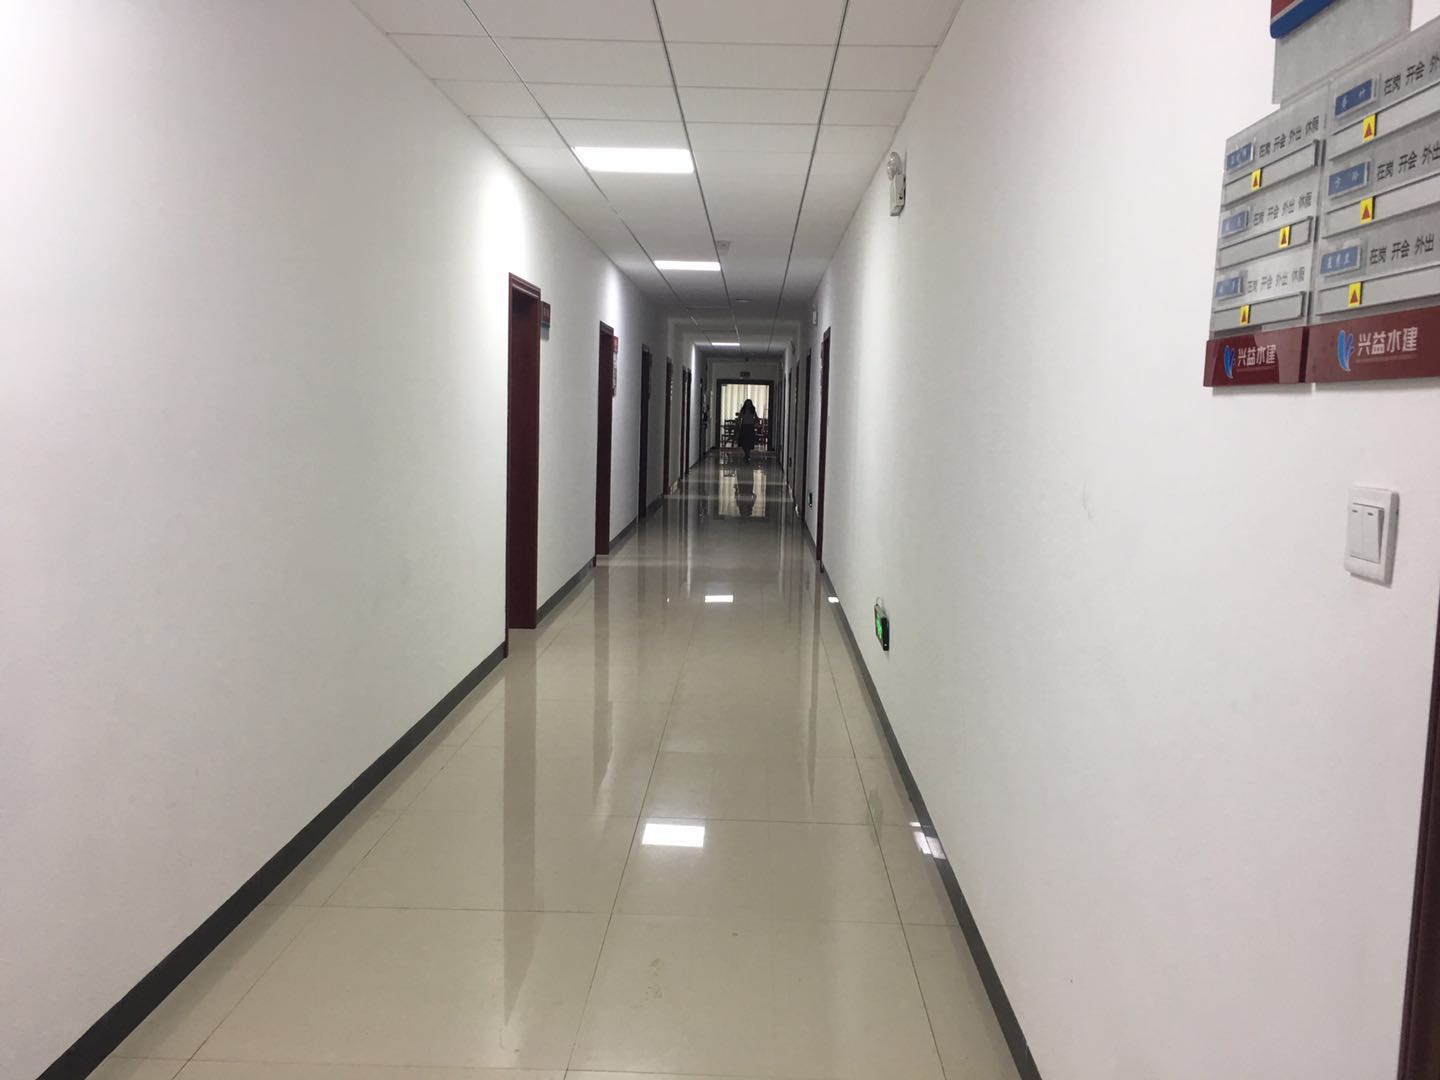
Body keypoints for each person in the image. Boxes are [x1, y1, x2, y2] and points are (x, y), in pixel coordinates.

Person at [736, 398, 759, 463]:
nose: (748, 405)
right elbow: (739, 418)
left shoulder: (753, 410)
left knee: (749, 442)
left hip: (750, 427)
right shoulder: (743, 410)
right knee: (743, 441)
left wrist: (753, 422)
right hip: (744, 427)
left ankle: (747, 454)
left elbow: (757, 419)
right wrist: (738, 424)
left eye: (749, 403)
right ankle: (746, 454)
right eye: (747, 403)